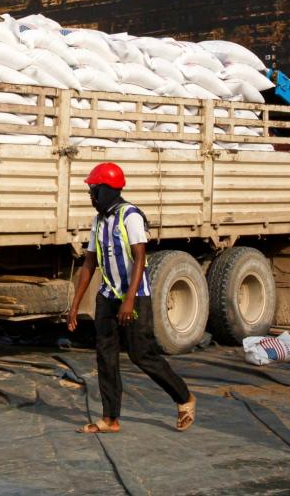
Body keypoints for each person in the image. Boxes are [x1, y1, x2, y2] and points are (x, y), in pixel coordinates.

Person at [68, 162, 196, 434]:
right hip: (107, 296)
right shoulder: (98, 221)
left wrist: (128, 300)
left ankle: (184, 398)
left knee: (142, 355)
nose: (91, 195)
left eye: (94, 189)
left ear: (107, 190)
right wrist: (75, 304)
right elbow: (90, 263)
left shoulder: (131, 216)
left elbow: (140, 258)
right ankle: (110, 418)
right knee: (106, 356)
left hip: (134, 298)